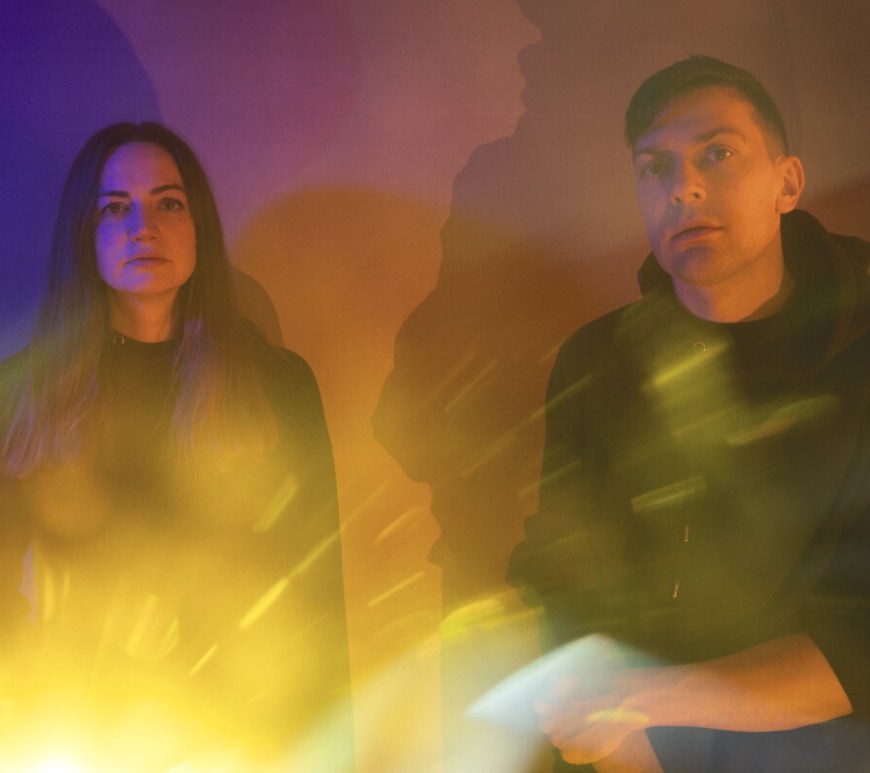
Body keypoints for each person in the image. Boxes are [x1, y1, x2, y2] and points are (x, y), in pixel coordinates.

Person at [507, 55, 870, 771]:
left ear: (787, 183)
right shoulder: (597, 361)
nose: (684, 188)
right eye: (655, 167)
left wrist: (645, 698)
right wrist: (620, 736)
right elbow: (566, 578)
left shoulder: (857, 351)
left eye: (718, 153)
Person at [0, 122, 354, 770]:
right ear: (84, 231)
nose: (144, 227)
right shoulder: (22, 395)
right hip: (81, 728)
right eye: (115, 208)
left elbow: (317, 592)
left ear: (199, 226)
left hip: (244, 731)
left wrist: (325, 748)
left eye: (168, 203)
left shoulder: (274, 385)